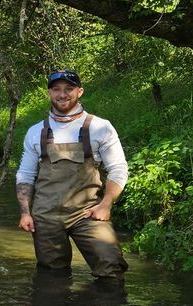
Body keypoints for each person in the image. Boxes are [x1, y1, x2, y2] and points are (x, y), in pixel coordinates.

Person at [16, 69, 129, 280]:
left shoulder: (100, 127)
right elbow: (25, 175)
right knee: (52, 276)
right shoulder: (35, 131)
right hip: (46, 215)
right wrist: (25, 212)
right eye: (56, 89)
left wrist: (106, 204)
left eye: (69, 89)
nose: (62, 94)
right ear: (49, 93)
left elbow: (118, 168)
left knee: (111, 265)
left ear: (80, 91)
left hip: (86, 213)